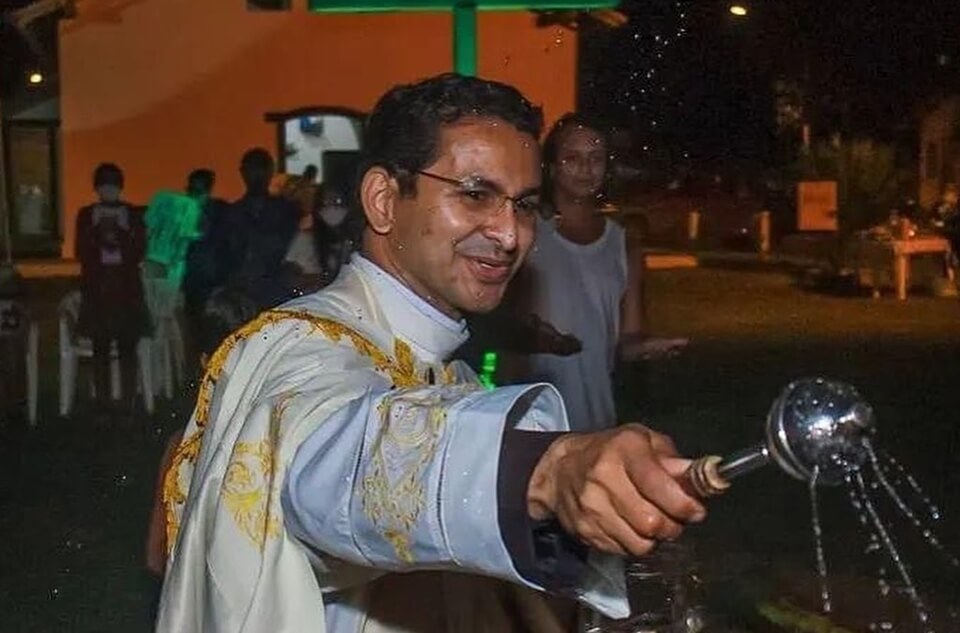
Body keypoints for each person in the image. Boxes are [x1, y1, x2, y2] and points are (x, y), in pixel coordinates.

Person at [157, 74, 705, 633]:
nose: (511, 234)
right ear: (384, 200)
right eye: (475, 195)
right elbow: (334, 464)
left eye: (523, 205)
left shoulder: (449, 369)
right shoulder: (298, 348)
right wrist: (546, 471)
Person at [505, 114, 688, 432]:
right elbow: (501, 330)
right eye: (572, 158)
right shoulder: (528, 233)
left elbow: (626, 341)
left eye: (596, 158)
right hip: (532, 424)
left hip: (597, 423)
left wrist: (647, 347)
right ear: (551, 166)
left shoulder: (622, 243)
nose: (586, 169)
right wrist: (537, 340)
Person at [75, 163, 149, 416]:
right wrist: (98, 230)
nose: (108, 190)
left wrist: (118, 231)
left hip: (126, 290)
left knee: (128, 347)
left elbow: (139, 249)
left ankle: (128, 398)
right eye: (104, 185)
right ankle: (103, 402)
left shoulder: (131, 214)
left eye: (113, 185)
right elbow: (81, 251)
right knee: (100, 348)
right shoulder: (86, 214)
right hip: (99, 290)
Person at [222, 148, 300, 311]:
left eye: (261, 168)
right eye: (253, 169)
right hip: (241, 295)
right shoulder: (231, 213)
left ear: (271, 171)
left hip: (276, 291)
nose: (257, 175)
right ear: (243, 172)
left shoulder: (287, 210)